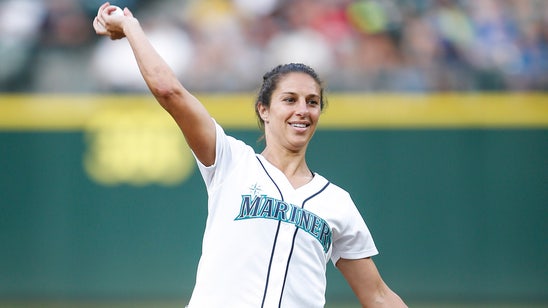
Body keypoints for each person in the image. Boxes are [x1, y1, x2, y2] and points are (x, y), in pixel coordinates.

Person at [93, 3, 408, 307]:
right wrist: (131, 28)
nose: (302, 110)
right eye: (290, 99)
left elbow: (377, 296)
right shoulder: (230, 161)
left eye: (312, 102)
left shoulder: (336, 202)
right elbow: (168, 91)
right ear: (264, 110)